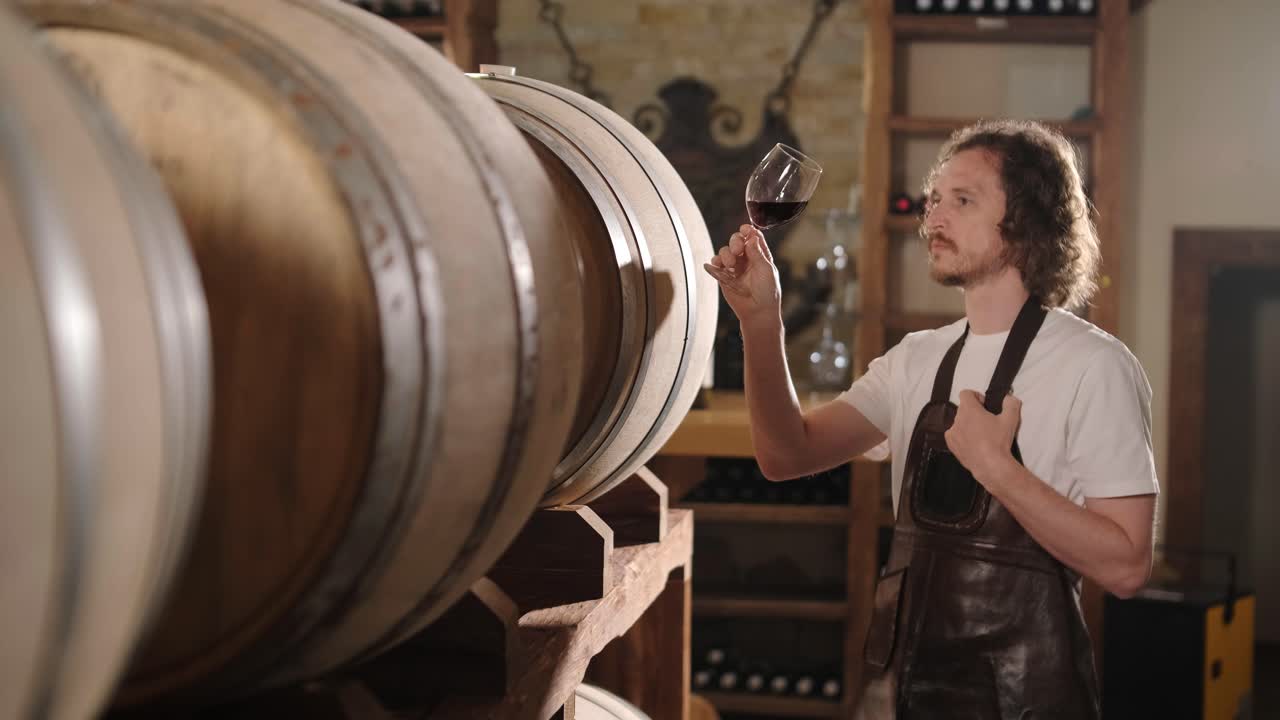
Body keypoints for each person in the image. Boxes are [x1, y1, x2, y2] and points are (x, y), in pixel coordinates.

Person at [703, 119, 1158, 718]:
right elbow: (786, 455)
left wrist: (998, 467)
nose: (934, 218)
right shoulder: (915, 359)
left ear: (1028, 222)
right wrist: (762, 324)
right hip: (900, 689)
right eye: (935, 199)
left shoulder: (1095, 366)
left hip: (1026, 698)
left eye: (962, 201)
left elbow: (1126, 566)